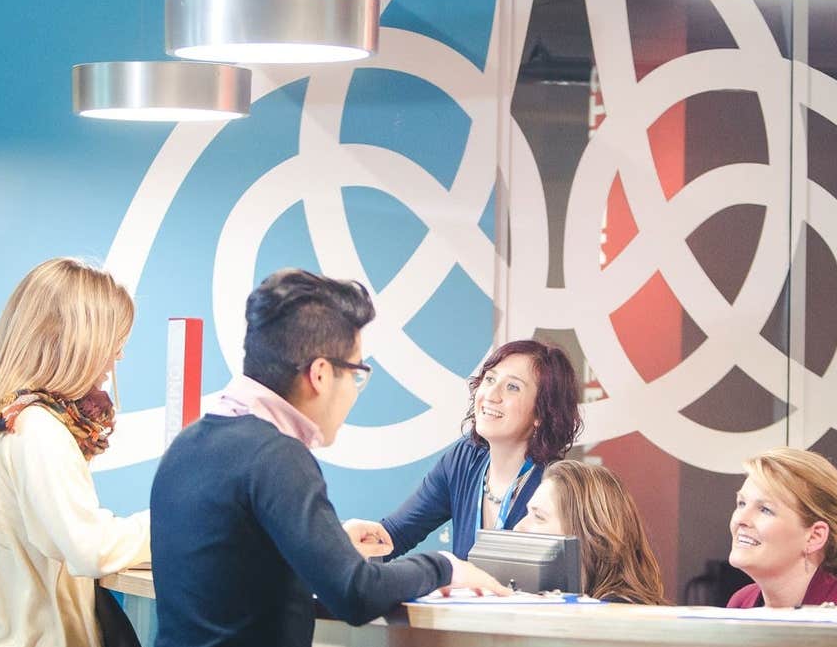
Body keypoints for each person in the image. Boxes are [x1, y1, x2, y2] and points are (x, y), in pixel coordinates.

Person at [150, 269, 507, 647]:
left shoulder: (189, 444)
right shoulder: (277, 455)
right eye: (356, 374)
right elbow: (356, 593)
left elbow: (234, 563)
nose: (355, 393)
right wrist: (444, 567)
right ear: (320, 374)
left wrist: (329, 542)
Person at [0, 257, 151, 647]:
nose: (117, 358)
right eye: (113, 342)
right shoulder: (36, 427)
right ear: (75, 342)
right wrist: (167, 524)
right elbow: (89, 548)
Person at [343, 340, 583, 560]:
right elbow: (394, 536)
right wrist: (343, 544)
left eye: (512, 387)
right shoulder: (463, 460)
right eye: (490, 379)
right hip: (466, 607)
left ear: (542, 412)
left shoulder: (554, 484)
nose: (491, 394)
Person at [726, 447, 837, 609]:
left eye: (765, 509)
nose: (740, 519)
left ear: (814, 536)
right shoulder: (742, 602)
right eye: (741, 503)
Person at [514, 460, 668, 605]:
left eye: (539, 516)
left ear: (589, 534)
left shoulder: (619, 616)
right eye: (527, 514)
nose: (518, 528)